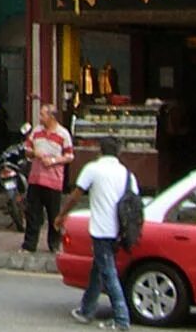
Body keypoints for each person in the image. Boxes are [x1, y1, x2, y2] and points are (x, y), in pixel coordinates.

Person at [57, 138, 134, 331]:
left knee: (108, 273)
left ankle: (121, 318)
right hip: (119, 230)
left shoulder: (93, 169)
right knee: (98, 270)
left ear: (100, 151)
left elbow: (76, 195)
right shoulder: (126, 173)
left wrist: (61, 215)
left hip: (101, 229)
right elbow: (134, 199)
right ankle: (87, 310)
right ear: (119, 152)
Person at [22, 103, 75, 252]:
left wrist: (53, 161)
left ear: (51, 116)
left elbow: (69, 156)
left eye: (43, 115)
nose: (40, 117)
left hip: (53, 181)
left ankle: (54, 245)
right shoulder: (36, 131)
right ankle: (29, 245)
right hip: (35, 178)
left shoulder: (63, 134)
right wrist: (34, 154)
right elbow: (27, 148)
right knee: (32, 214)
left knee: (54, 215)